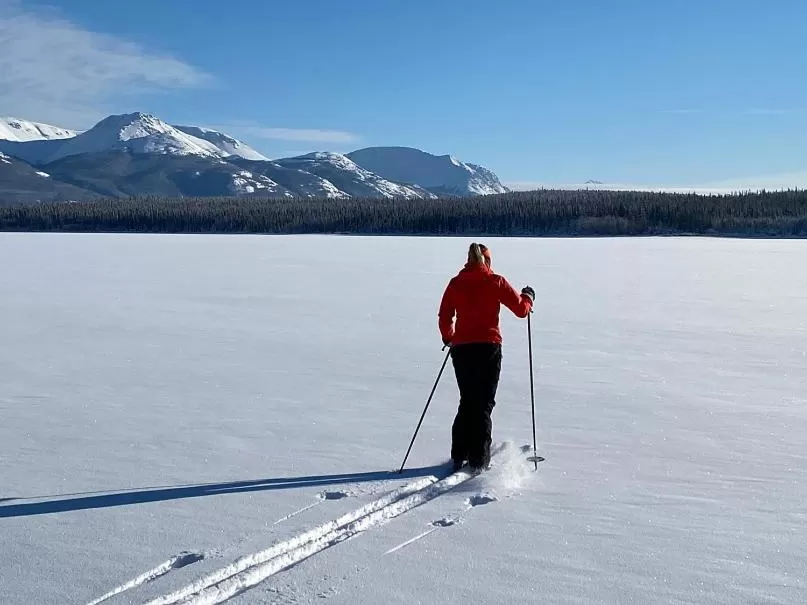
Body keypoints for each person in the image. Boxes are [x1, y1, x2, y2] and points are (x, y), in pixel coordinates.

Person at [438, 242, 534, 471]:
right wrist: (528, 298)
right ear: (488, 261)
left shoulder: (456, 284)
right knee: (482, 404)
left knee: (467, 401)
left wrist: (449, 338)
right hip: (488, 349)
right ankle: (479, 461)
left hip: (461, 350)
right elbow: (521, 310)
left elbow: (444, 316)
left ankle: (459, 454)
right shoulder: (495, 281)